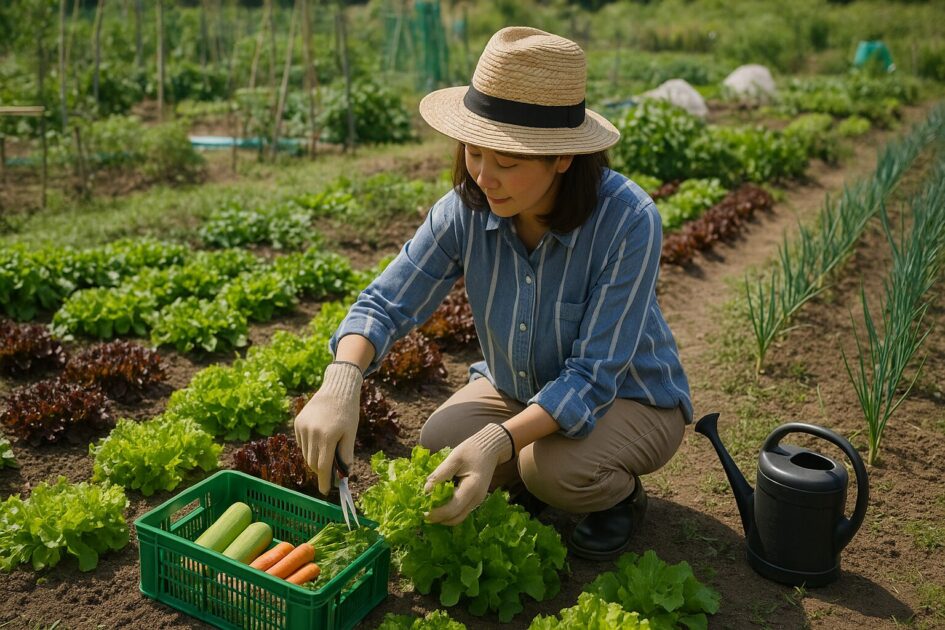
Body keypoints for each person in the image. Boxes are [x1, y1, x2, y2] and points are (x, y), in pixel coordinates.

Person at [294, 26, 692, 561]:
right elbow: (386, 302)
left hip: (630, 395)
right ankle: (523, 472)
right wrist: (342, 378)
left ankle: (616, 498)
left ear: (562, 158)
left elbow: (594, 376)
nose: (484, 177)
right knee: (438, 444)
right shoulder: (466, 208)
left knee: (551, 468)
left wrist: (497, 441)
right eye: (474, 152)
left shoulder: (627, 221)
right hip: (519, 386)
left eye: (507, 161)